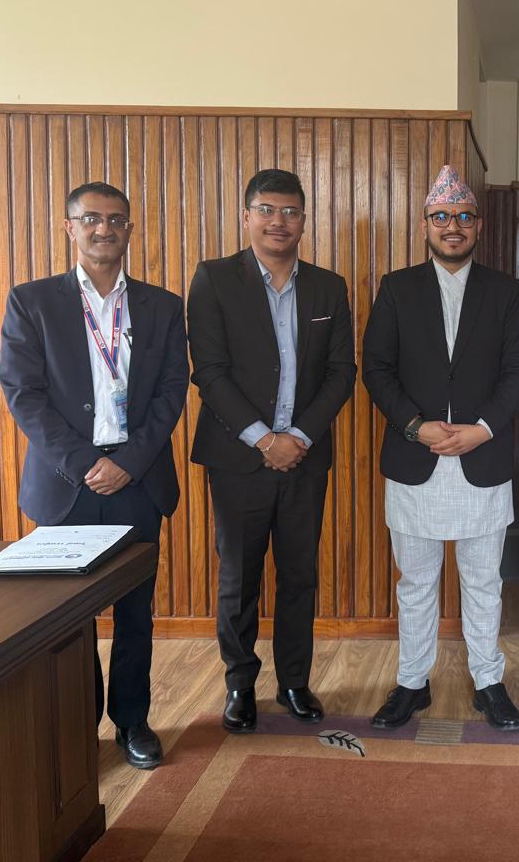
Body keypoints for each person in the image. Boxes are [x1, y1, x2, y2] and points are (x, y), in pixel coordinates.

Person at [0, 181, 188, 770]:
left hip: (138, 479)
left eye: (116, 220)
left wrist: (127, 462)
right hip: (67, 484)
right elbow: (23, 394)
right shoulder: (32, 302)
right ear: (70, 227)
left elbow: (172, 391)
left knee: (135, 612)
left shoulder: (161, 305)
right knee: (68, 617)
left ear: (129, 229)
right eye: (91, 219)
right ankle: (77, 726)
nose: (104, 229)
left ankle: (132, 720)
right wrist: (85, 464)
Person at [187, 168, 355, 734]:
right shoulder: (214, 279)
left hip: (304, 457)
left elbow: (342, 372)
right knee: (239, 576)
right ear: (246, 216)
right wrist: (263, 439)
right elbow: (209, 372)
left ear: (304, 220)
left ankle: (294, 682)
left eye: (290, 211)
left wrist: (298, 438)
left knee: (300, 574)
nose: (278, 221)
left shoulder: (328, 287)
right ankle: (240, 684)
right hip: (239, 458)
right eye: (266, 209)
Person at [362, 164, 519, 731]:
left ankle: (488, 681)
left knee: (484, 582)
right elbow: (377, 368)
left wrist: (483, 428)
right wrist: (416, 426)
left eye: (462, 217)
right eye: (441, 217)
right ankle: (412, 682)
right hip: (417, 459)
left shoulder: (504, 291)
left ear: (478, 225)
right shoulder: (397, 288)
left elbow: (516, 370)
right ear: (425, 225)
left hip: (483, 457)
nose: (452, 226)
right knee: (416, 583)